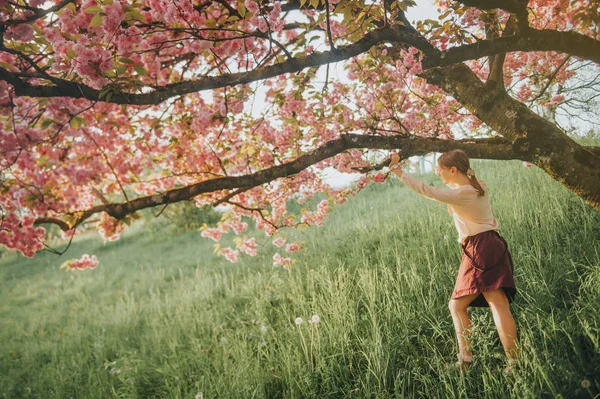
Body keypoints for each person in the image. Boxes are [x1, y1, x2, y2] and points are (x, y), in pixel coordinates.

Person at [387, 150, 519, 374]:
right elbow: (450, 190)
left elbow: (426, 190)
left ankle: (468, 361)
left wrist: (397, 170)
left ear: (453, 170)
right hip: (491, 244)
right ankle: (511, 363)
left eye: (440, 168)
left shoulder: (463, 193)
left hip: (480, 248)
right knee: (495, 304)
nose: (437, 172)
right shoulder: (477, 186)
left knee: (459, 305)